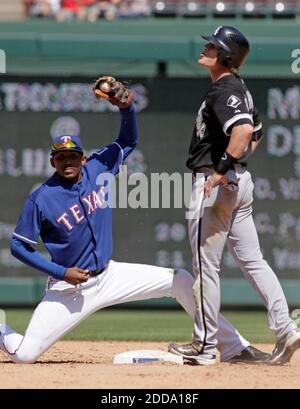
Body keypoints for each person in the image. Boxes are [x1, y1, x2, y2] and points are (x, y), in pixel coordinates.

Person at [0, 77, 267, 365]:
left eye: (73, 156)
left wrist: (127, 109)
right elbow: (19, 246)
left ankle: (235, 346)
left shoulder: (98, 168)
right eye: (61, 157)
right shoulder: (41, 198)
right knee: (25, 355)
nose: (68, 162)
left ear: (83, 158)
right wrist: (61, 272)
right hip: (70, 290)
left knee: (180, 281)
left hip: (110, 276)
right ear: (52, 161)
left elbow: (127, 141)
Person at [168, 26, 300, 366]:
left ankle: (205, 346)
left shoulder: (224, 88)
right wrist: (234, 165)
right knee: (253, 261)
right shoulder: (238, 88)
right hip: (238, 185)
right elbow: (255, 130)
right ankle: (285, 329)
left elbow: (242, 131)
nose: (206, 48)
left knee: (206, 268)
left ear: (225, 56)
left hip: (216, 184)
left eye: (212, 45)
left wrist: (220, 170)